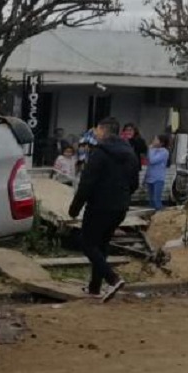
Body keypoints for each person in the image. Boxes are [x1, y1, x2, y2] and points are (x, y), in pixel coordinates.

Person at [68, 117, 139, 301]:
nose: (94, 133)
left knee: (87, 242)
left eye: (96, 131)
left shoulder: (99, 153)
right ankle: (94, 287)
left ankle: (113, 278)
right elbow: (134, 183)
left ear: (103, 130)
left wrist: (74, 209)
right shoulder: (130, 153)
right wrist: (122, 197)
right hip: (120, 207)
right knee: (102, 243)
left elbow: (87, 183)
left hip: (99, 206)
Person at [145, 134, 170, 211]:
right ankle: (152, 216)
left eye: (156, 140)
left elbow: (152, 160)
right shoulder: (153, 150)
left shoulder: (164, 152)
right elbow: (149, 164)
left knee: (156, 199)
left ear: (161, 143)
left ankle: (160, 213)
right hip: (150, 177)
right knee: (151, 200)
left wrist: (150, 149)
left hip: (158, 179)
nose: (153, 141)